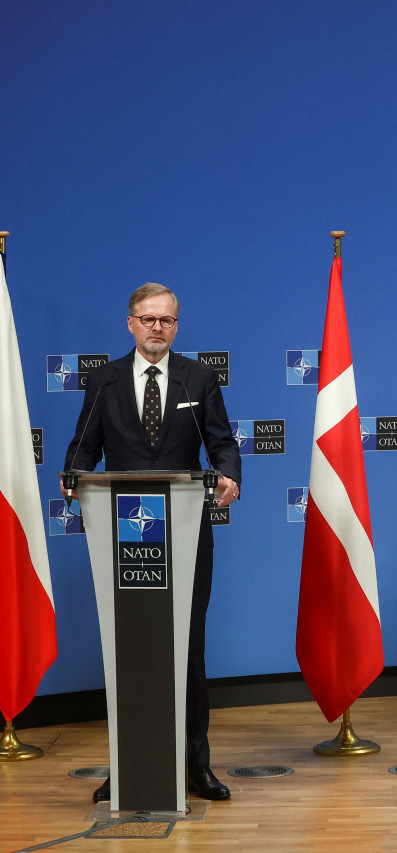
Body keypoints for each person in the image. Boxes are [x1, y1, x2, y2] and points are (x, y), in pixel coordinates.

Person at [62, 282, 242, 802]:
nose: (156, 327)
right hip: (125, 537)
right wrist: (72, 474)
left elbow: (222, 443)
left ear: (176, 326)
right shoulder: (105, 379)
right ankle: (127, 767)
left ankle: (195, 767)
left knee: (188, 650)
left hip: (186, 533)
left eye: (165, 320)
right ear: (130, 324)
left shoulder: (200, 377)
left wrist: (228, 474)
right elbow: (83, 447)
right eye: (147, 319)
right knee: (130, 651)